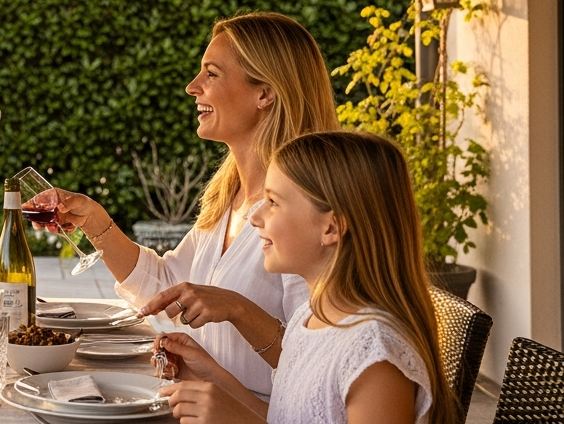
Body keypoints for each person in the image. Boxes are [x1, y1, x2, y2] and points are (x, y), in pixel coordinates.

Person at [32, 12, 339, 397]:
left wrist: (239, 309)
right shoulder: (229, 197)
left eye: (211, 73)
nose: (193, 87)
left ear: (265, 93)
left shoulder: (307, 211)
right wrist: (95, 222)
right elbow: (167, 288)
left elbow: (318, 356)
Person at [156, 130, 458, 424]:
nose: (255, 216)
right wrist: (207, 373)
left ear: (330, 228)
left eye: (273, 202)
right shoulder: (310, 319)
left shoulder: (374, 356)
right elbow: (283, 417)